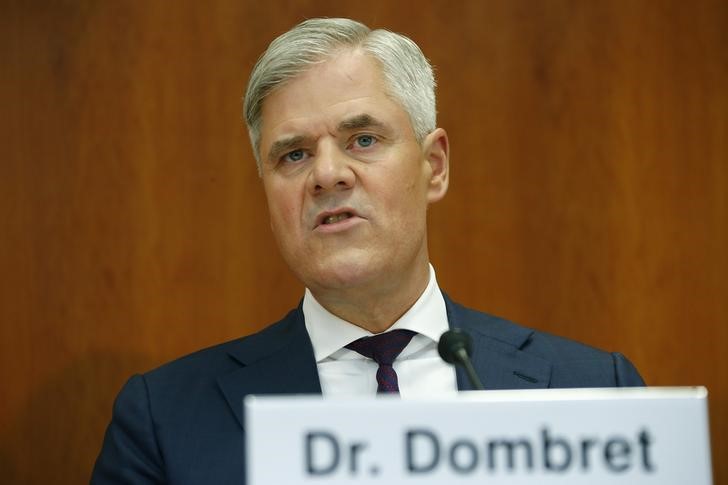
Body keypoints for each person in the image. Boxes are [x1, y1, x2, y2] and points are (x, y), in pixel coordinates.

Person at [91, 18, 643, 484]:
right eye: (293, 154)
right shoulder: (164, 421)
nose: (327, 174)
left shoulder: (595, 392)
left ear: (435, 166)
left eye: (363, 140)